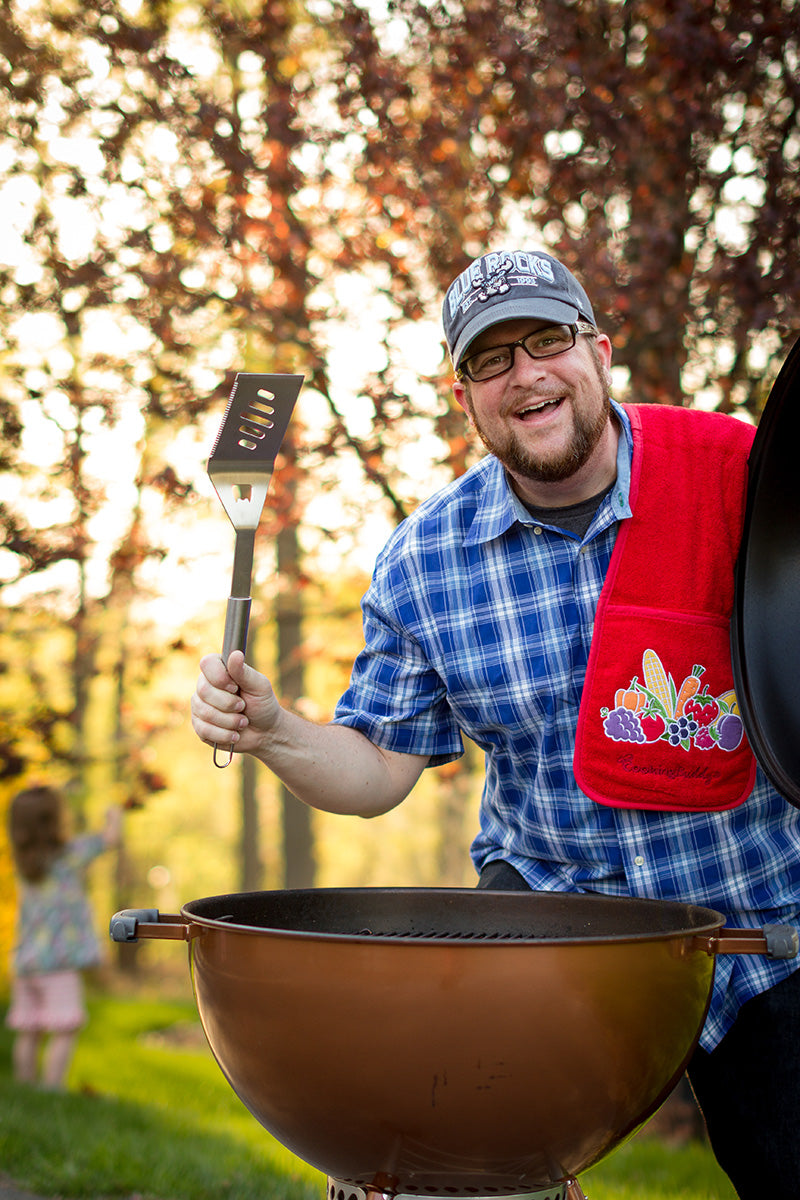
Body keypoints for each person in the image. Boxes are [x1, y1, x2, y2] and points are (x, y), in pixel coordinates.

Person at [191, 248, 800, 1199]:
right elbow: (378, 769)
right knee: (446, 1166)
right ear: (465, 398)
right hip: (549, 927)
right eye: (490, 360)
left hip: (763, 920)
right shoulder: (424, 563)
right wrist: (274, 730)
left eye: (546, 340)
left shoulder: (740, 477)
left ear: (597, 352)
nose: (526, 375)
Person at [5, 784, 122, 1089]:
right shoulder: (69, 855)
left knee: (28, 1030)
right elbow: (110, 839)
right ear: (55, 821)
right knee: (64, 1029)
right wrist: (114, 814)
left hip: (26, 961)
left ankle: (26, 1086)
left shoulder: (23, 861)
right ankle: (52, 1089)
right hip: (58, 963)